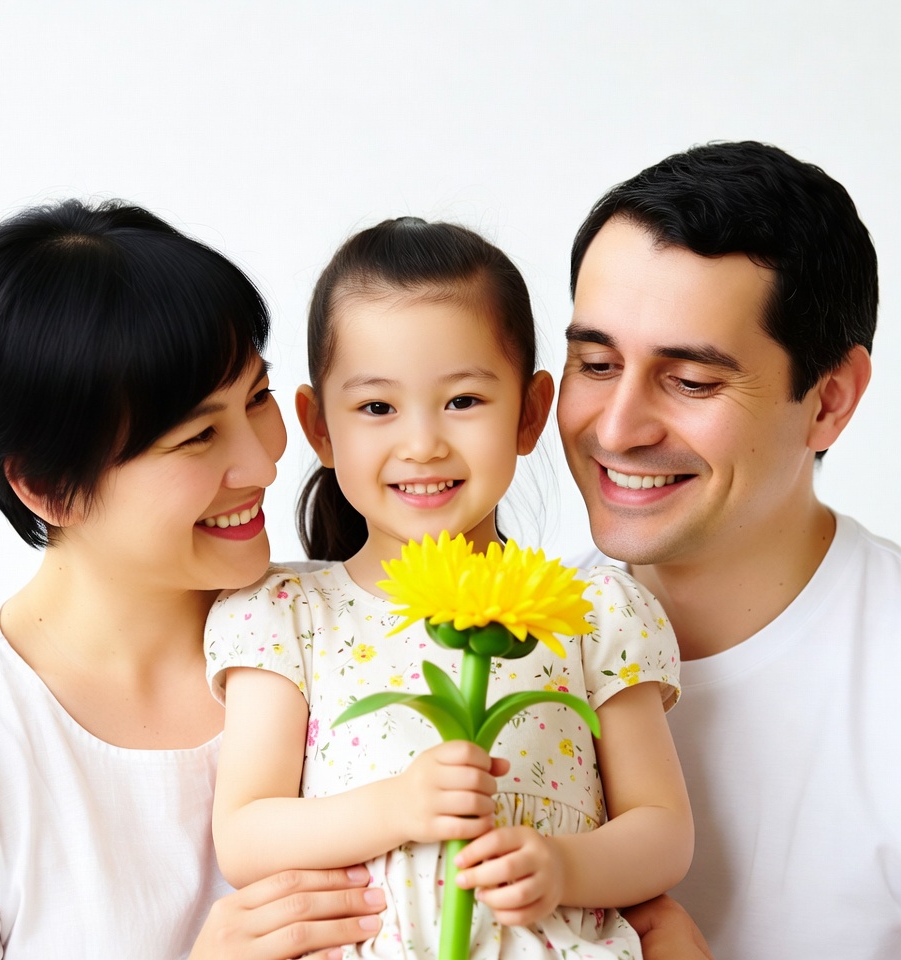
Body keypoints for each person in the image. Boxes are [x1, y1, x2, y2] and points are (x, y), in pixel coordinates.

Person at [204, 217, 694, 959]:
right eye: (376, 408)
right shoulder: (287, 615)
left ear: (530, 412)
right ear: (320, 427)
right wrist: (398, 807)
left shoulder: (593, 611)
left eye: (463, 401)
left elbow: (662, 832)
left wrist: (564, 866)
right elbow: (244, 835)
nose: (423, 443)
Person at [0, 199, 387, 959]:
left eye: (257, 399)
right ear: (47, 486)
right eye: (197, 437)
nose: (262, 462)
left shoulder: (365, 623)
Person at [557, 140, 900, 959]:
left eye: (692, 382)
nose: (616, 429)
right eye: (596, 363)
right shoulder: (494, 645)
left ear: (830, 401)